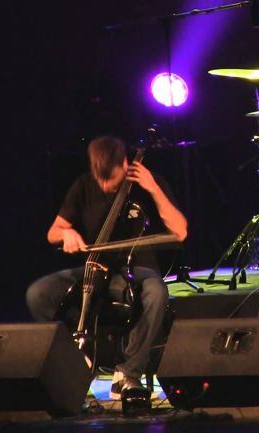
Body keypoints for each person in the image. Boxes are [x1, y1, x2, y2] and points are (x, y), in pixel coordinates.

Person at [26, 135, 187, 400]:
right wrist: (67, 234)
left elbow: (180, 231)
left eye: (109, 178)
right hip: (97, 270)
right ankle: (73, 362)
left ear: (125, 164)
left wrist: (153, 189)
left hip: (138, 271)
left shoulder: (148, 183)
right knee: (39, 294)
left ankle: (129, 373)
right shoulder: (83, 185)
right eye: (98, 179)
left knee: (157, 292)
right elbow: (53, 232)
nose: (103, 185)